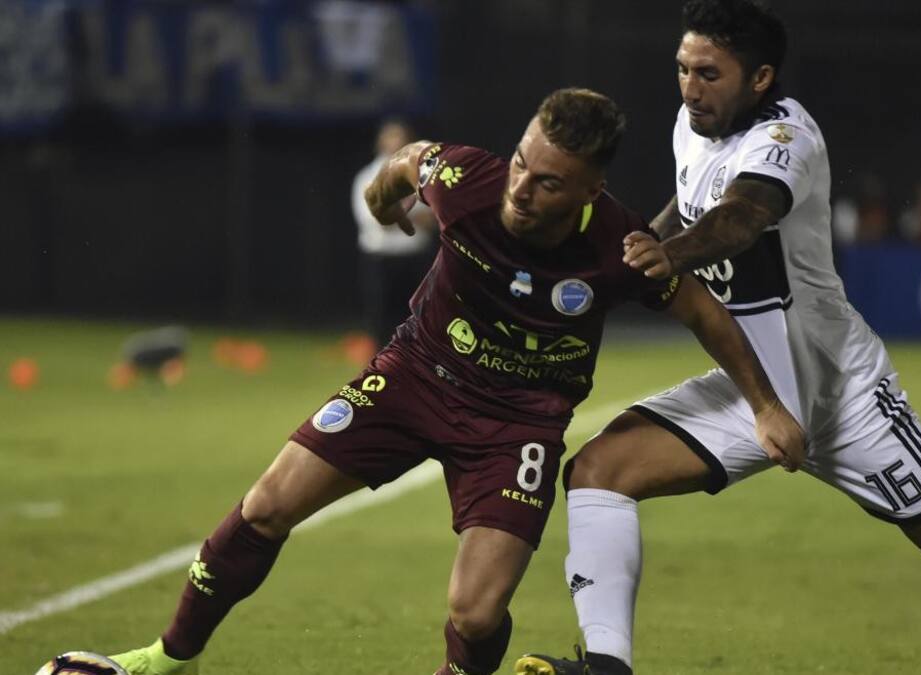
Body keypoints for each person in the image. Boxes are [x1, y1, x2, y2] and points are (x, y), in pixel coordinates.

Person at [516, 3, 921, 675]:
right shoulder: (692, 126)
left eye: (709, 73)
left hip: (842, 394)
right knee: (599, 471)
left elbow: (742, 217)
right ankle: (607, 667)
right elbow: (689, 209)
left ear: (760, 78)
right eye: (683, 69)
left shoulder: (787, 140)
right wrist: (644, 248)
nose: (690, 87)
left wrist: (674, 254)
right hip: (752, 388)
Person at [107, 87, 806, 675]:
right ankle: (166, 658)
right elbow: (409, 163)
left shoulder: (619, 248)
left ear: (591, 190)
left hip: (517, 425)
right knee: (265, 505)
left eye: (548, 182)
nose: (521, 190)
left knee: (474, 613)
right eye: (522, 163)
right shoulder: (467, 182)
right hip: (413, 379)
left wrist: (767, 407)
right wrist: (386, 200)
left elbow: (705, 314)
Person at [352, 118, 438, 346]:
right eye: (390, 136)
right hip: (381, 260)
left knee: (418, 321)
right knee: (381, 322)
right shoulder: (367, 177)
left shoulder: (423, 176)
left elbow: (434, 217)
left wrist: (396, 214)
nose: (395, 142)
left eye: (400, 137)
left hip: (416, 259)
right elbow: (380, 221)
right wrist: (409, 217)